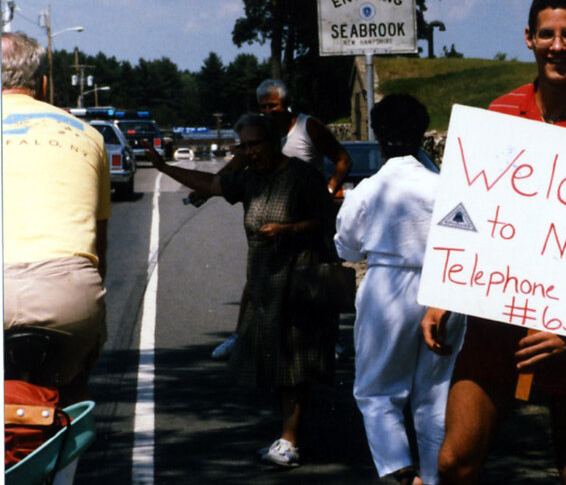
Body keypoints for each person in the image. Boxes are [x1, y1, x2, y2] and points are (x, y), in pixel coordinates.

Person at [421, 0, 566, 484]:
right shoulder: (500, 114)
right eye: (546, 33)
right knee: (454, 462)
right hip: (494, 321)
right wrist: (444, 295)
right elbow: (471, 214)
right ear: (529, 38)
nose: (558, 45)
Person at [147, 113, 337, 467]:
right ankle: (287, 434)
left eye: (255, 144)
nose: (249, 152)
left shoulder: (301, 176)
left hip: (299, 281)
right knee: (276, 362)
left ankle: (290, 439)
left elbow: (326, 220)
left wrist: (289, 229)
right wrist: (162, 167)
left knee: (293, 361)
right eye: (244, 146)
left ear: (274, 141)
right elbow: (210, 184)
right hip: (265, 284)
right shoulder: (250, 180)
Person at [335, 94, 464, 485]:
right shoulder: (444, 187)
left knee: (377, 392)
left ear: (376, 134)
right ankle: (433, 476)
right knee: (435, 395)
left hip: (387, 285)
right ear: (422, 134)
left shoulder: (368, 190)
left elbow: (347, 246)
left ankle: (403, 475)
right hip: (443, 287)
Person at [2, 31, 110, 406]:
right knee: (73, 388)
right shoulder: (89, 135)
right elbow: (100, 244)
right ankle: (66, 451)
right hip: (68, 294)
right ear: (43, 84)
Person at [209, 78, 352, 360]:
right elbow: (236, 165)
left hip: (308, 213)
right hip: (272, 210)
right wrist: (207, 188)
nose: (268, 112)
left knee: (320, 274)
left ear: (286, 104)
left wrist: (329, 190)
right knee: (258, 273)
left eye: (273, 106)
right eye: (263, 107)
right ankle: (241, 335)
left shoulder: (307, 126)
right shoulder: (261, 132)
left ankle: (329, 339)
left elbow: (342, 159)